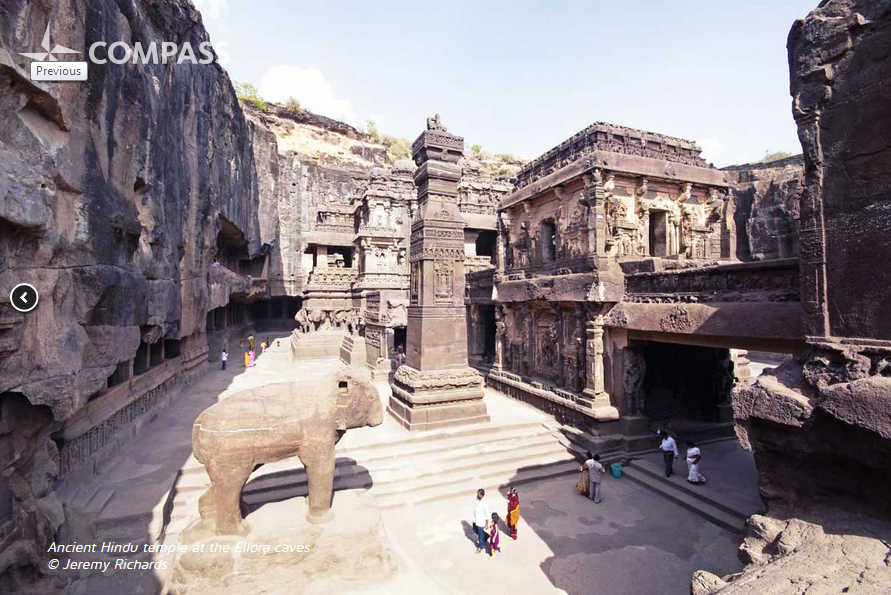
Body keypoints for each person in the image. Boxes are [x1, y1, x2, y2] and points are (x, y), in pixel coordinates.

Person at [472, 488, 490, 554]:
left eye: (478, 494)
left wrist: (487, 524)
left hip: (481, 521)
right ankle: (485, 535)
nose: (477, 494)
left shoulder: (485, 503)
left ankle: (481, 546)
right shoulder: (477, 499)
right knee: (474, 529)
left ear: (481, 495)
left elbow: (487, 514)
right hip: (475, 519)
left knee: (480, 535)